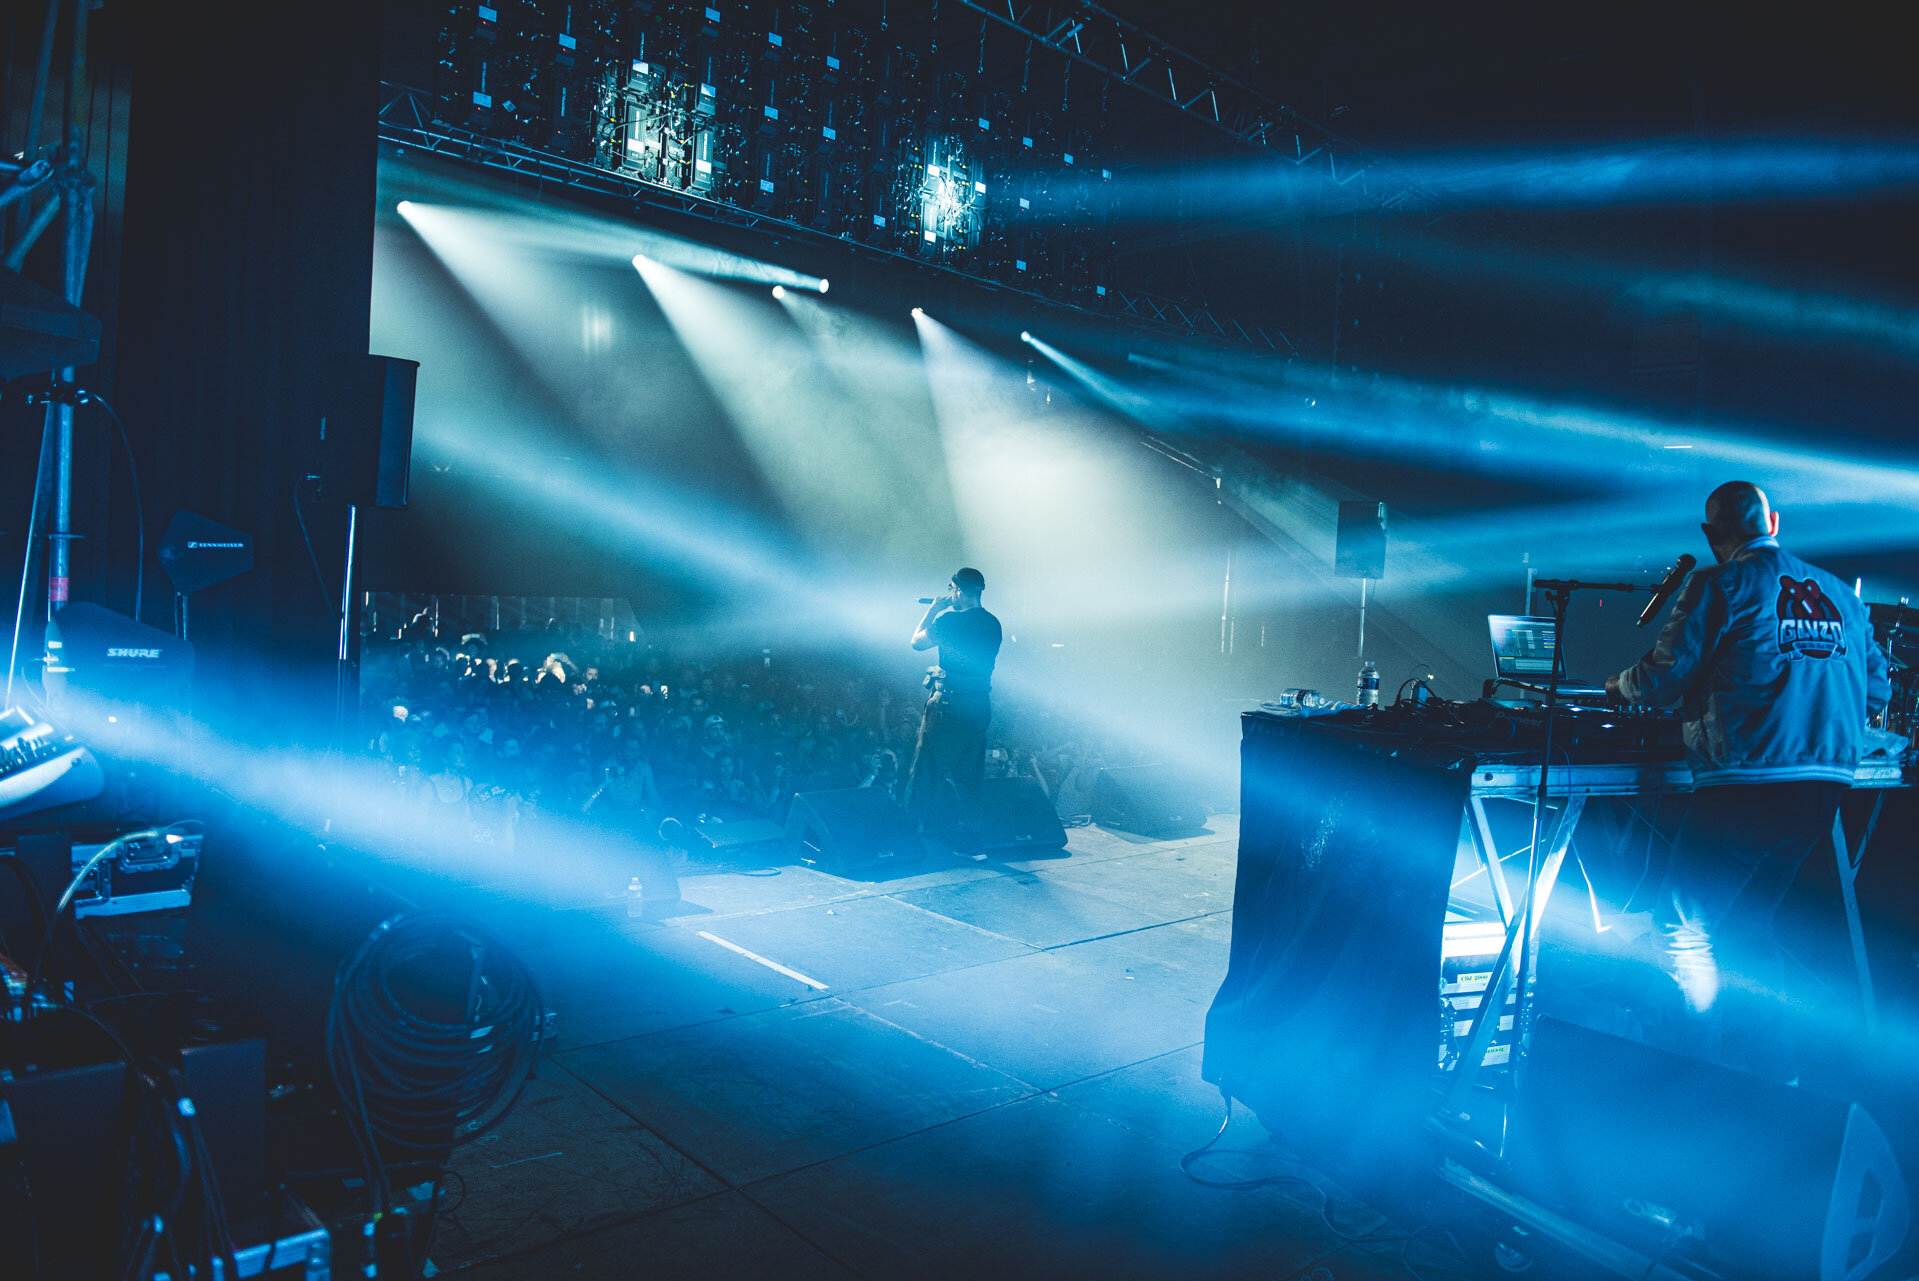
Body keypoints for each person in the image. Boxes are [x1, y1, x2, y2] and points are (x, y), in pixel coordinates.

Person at [1606, 481, 1890, 1077]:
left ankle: (1692, 1071)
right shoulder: (1842, 595)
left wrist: (1621, 687)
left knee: (1683, 927)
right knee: (1750, 928)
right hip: (1822, 791)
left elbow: (1663, 677)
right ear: (1775, 521)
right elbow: (1876, 692)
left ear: (1711, 536)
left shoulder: (1718, 584)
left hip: (1746, 782)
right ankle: (1769, 1070)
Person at [905, 567, 1003, 836]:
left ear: (958, 589)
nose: (949, 594)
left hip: (948, 706)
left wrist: (934, 609)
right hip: (979, 705)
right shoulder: (994, 623)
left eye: (951, 589)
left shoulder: (949, 621)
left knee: (926, 767)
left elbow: (916, 642)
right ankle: (972, 842)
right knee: (970, 775)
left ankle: (911, 835)